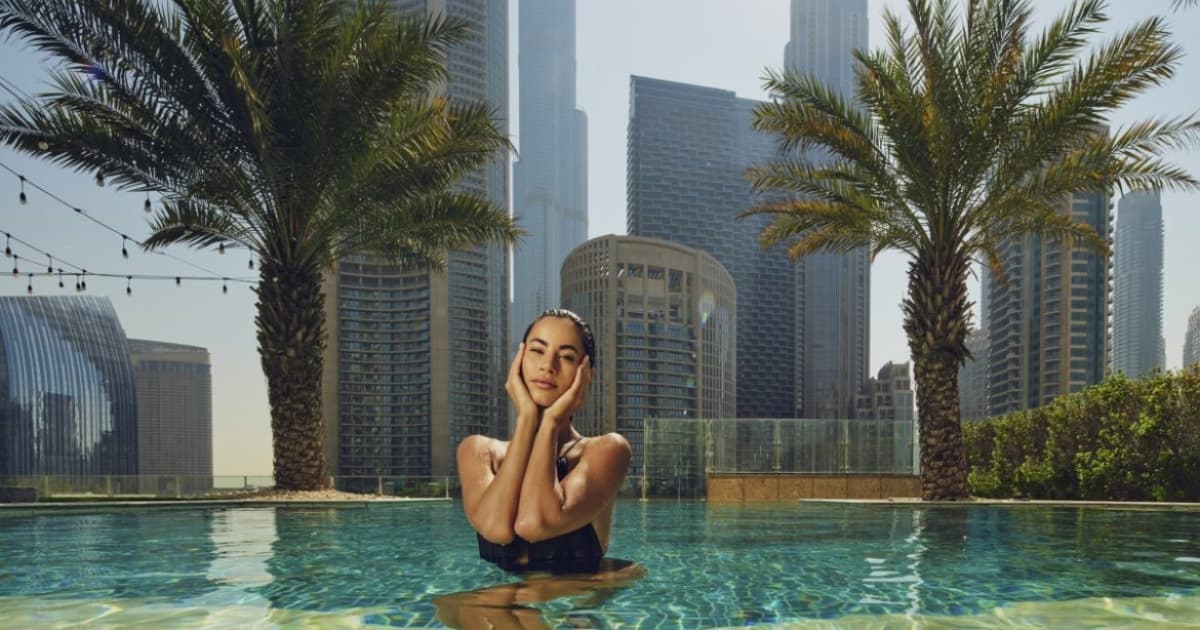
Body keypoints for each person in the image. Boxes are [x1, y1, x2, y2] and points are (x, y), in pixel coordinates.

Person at [456, 309, 632, 574]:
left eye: (566, 356)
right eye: (538, 351)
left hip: (572, 610)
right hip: (508, 607)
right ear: (520, 358)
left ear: (586, 375)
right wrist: (527, 419)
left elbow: (533, 523)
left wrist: (549, 423)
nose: (548, 366)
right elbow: (496, 528)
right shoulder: (478, 451)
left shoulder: (606, 451)